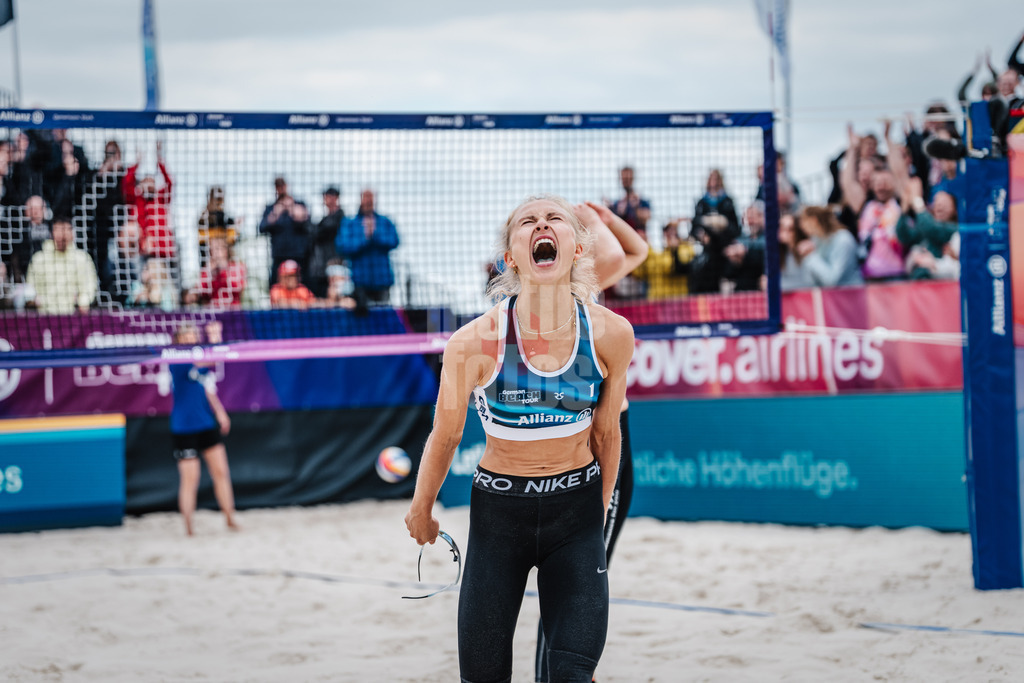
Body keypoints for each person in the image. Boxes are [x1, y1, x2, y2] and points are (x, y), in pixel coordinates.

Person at [405, 195, 634, 683]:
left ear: (577, 248)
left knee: (571, 674)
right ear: (511, 256)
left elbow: (607, 433)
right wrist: (421, 508)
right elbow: (444, 437)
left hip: (575, 516)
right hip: (498, 518)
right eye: (526, 222)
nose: (541, 224)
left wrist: (598, 506)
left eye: (554, 219)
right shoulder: (472, 342)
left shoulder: (612, 334)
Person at [170, 322, 239, 537]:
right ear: (179, 340)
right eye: (188, 337)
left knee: (221, 473)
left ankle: (230, 519)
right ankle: (189, 529)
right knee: (191, 480)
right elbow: (212, 358)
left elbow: (206, 387)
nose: (192, 340)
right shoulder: (175, 360)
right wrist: (216, 337)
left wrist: (219, 412)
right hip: (184, 428)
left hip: (206, 424)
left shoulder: (197, 362)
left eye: (194, 336)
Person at [336, 189, 399, 307]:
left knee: (382, 313)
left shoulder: (384, 222)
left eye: (371, 197)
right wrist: (365, 238)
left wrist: (375, 234)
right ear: (361, 199)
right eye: (366, 197)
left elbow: (394, 241)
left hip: (382, 279)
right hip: (360, 280)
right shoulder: (350, 223)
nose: (368, 200)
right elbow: (342, 246)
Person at [25, 218, 98, 314]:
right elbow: (30, 287)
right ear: (52, 233)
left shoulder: (82, 258)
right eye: (58, 230)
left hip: (73, 317)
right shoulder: (38, 259)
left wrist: (83, 301)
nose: (62, 235)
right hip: (43, 316)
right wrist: (33, 299)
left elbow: (89, 285)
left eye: (66, 230)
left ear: (72, 234)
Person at [124, 141, 177, 265]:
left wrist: (159, 159)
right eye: (145, 181)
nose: (149, 184)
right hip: (145, 253)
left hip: (165, 252)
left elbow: (170, 182)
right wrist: (137, 163)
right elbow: (127, 183)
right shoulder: (135, 202)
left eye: (151, 181)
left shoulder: (161, 198)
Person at [689, 168, 741, 294]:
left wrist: (723, 224)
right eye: (711, 179)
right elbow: (694, 227)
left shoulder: (728, 201)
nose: (713, 182)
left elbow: (736, 228)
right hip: (708, 253)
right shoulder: (702, 203)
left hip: (725, 252)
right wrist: (700, 236)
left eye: (716, 179)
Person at [259, 177, 311, 287]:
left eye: (282, 185)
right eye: (278, 186)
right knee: (275, 286)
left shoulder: (299, 203)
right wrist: (276, 213)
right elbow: (262, 227)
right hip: (279, 256)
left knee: (302, 287)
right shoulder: (271, 208)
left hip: (299, 256)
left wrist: (291, 207)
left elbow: (307, 223)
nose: (281, 188)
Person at [797, 206, 863, 288]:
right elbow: (811, 280)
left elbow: (832, 280)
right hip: (831, 297)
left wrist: (811, 255)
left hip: (850, 295)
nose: (802, 227)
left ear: (814, 220)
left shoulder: (843, 239)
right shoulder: (818, 240)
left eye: (803, 222)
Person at [184, 235, 247, 308]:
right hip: (213, 312)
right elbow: (200, 291)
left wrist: (223, 269)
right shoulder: (207, 269)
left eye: (217, 248)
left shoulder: (237, 267)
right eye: (212, 249)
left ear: (225, 249)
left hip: (233, 311)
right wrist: (209, 272)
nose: (214, 252)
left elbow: (238, 287)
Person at [309, 186, 344, 298]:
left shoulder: (340, 217)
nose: (327, 199)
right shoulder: (325, 220)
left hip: (335, 265)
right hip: (321, 268)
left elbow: (319, 232)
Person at [777, 213, 812, 291]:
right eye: (781, 227)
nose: (783, 231)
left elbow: (807, 283)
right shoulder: (779, 252)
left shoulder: (806, 249)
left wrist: (775, 284)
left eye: (790, 229)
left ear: (798, 231)